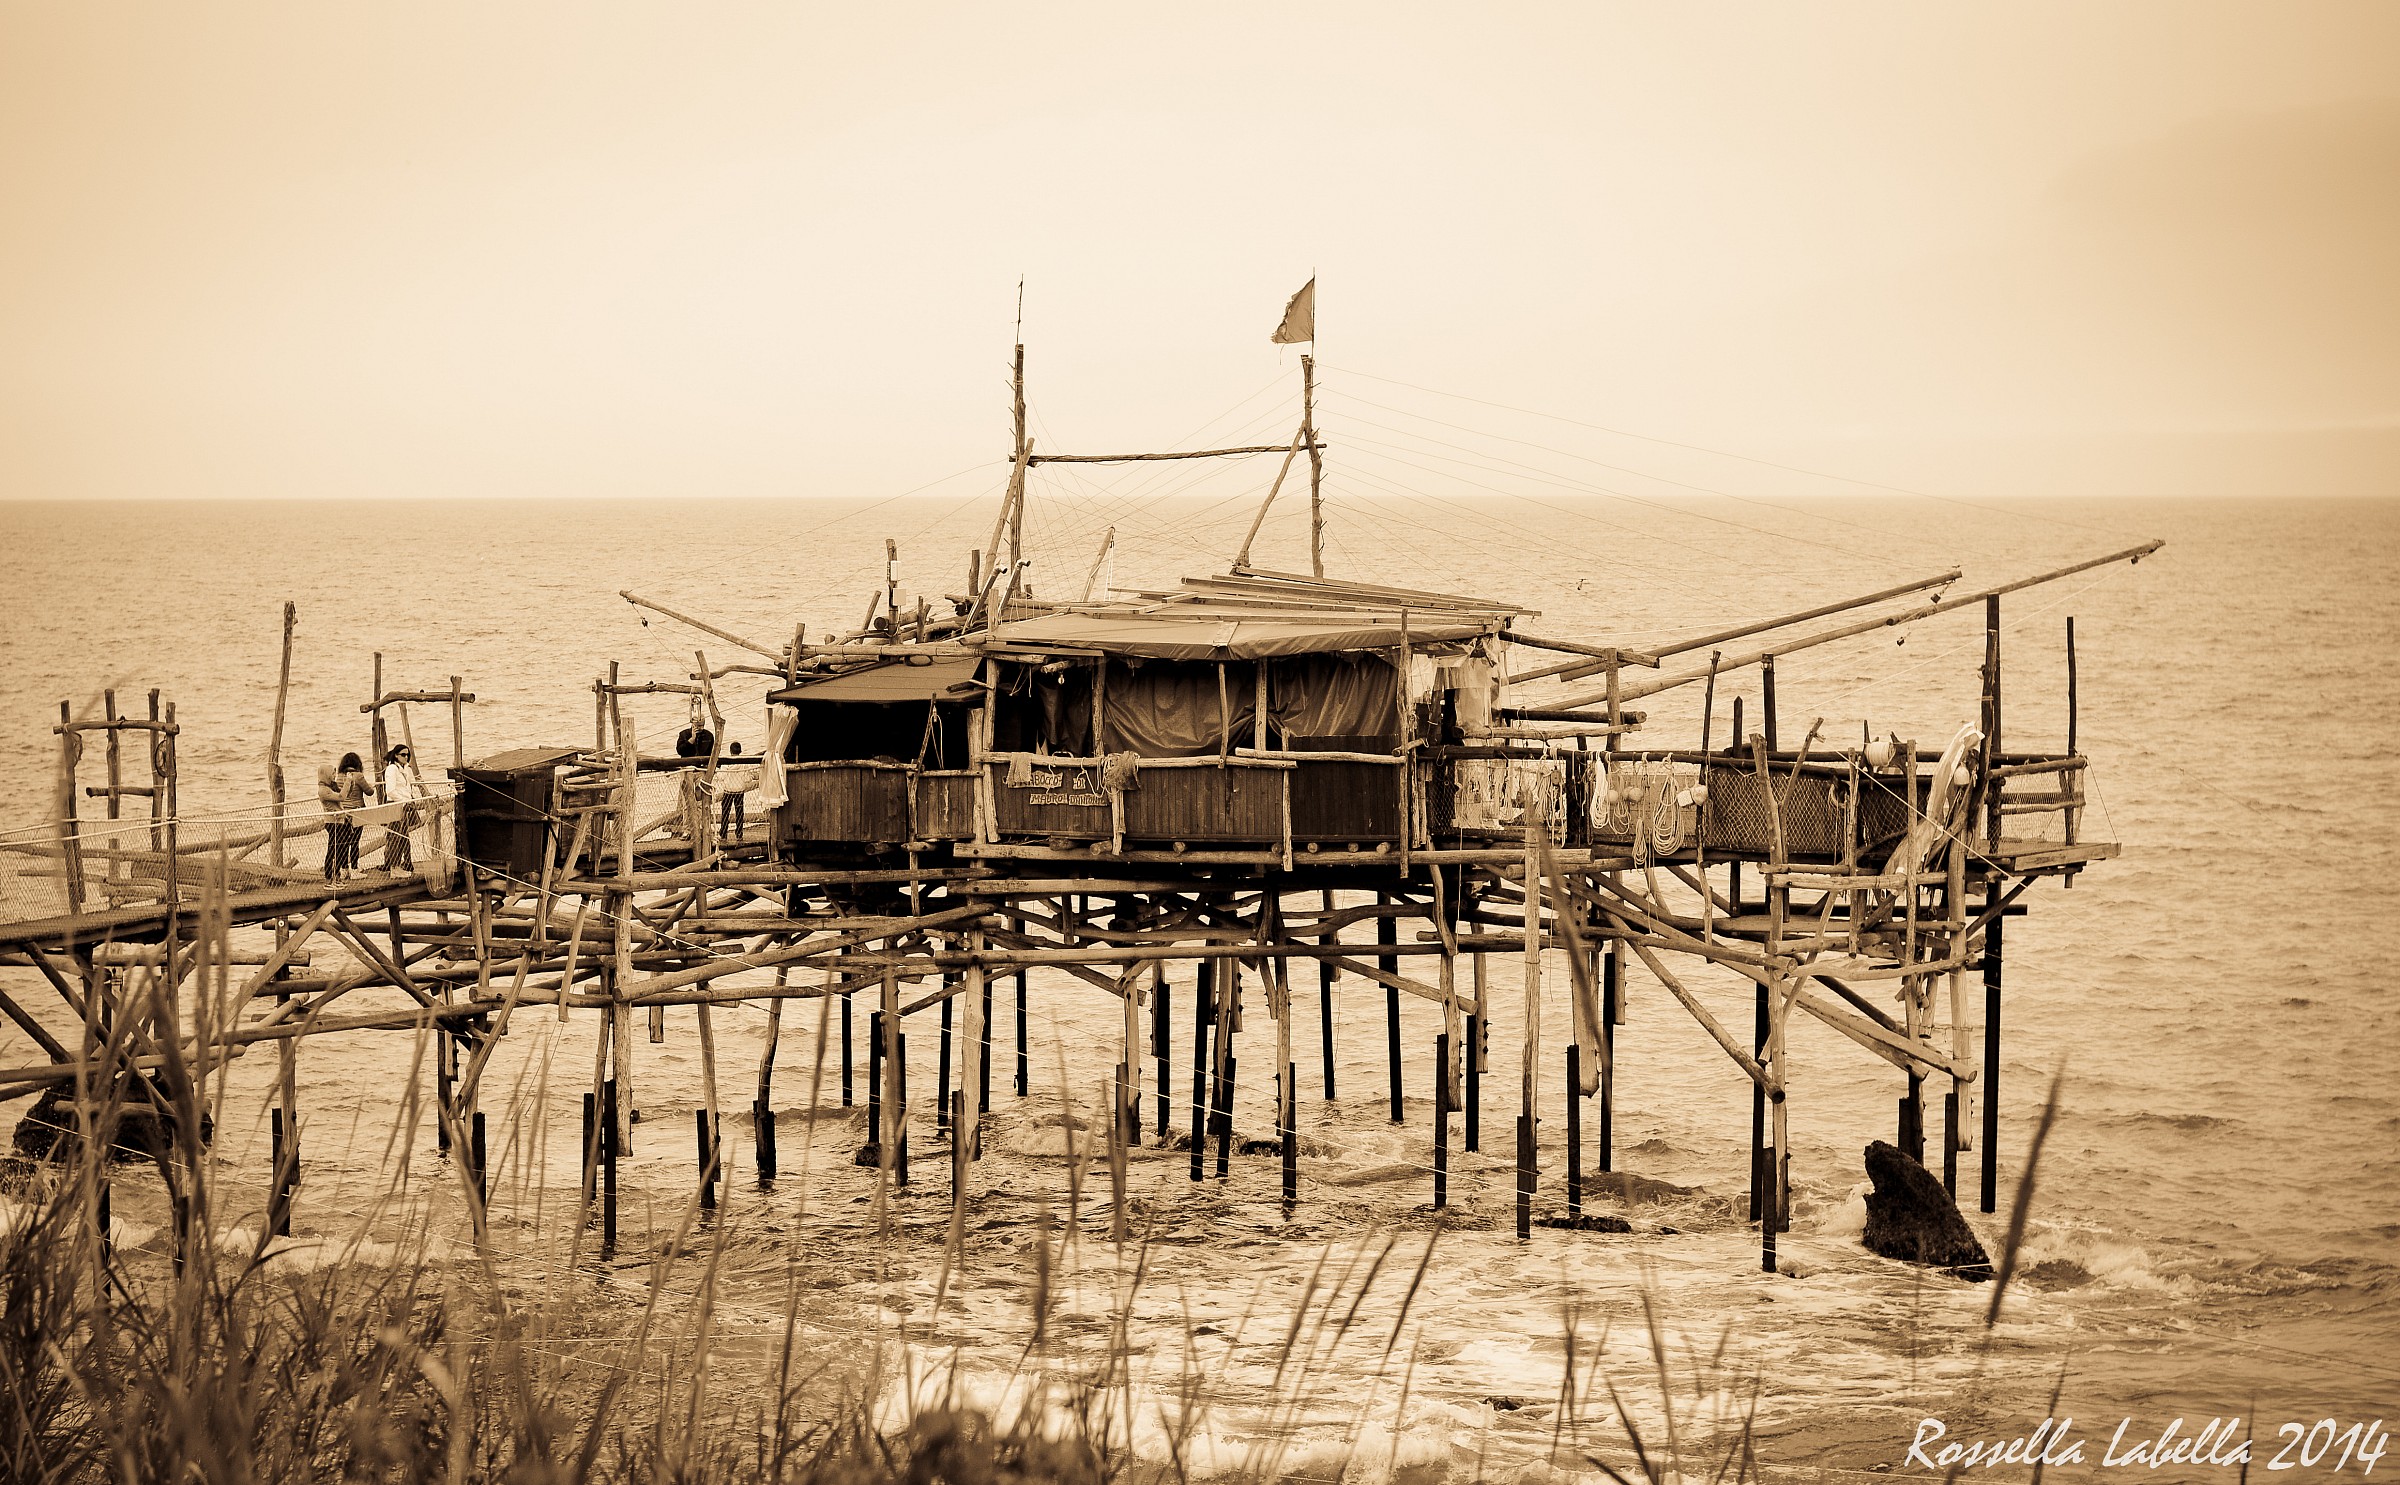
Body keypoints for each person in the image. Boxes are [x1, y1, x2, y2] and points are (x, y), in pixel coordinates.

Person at [332, 751, 373, 878]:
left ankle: (344, 869)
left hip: (343, 812)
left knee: (344, 842)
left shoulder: (339, 776)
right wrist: (373, 786)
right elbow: (369, 792)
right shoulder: (358, 776)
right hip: (357, 812)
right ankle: (354, 869)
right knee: (355, 842)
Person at [382, 743, 422, 874]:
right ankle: (394, 867)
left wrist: (411, 799)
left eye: (407, 755)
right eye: (403, 755)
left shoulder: (405, 769)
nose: (406, 757)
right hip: (395, 804)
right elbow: (390, 790)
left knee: (404, 836)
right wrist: (404, 801)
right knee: (395, 837)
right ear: (396, 755)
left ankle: (406, 863)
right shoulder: (392, 769)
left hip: (406, 804)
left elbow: (410, 785)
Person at [716, 741, 758, 840]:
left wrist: (717, 771)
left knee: (725, 812)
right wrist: (752, 776)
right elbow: (747, 778)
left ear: (730, 751)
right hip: (739, 790)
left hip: (728, 791)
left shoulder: (726, 763)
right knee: (739, 812)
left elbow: (721, 777)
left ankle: (723, 833)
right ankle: (739, 833)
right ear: (740, 751)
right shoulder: (743, 763)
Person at [317, 764, 344, 880]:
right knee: (333, 850)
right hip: (332, 823)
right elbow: (342, 797)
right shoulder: (323, 790)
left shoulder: (329, 787)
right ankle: (329, 876)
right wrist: (348, 781)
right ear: (326, 775)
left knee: (338, 850)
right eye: (332, 774)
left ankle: (336, 875)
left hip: (338, 822)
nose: (335, 776)